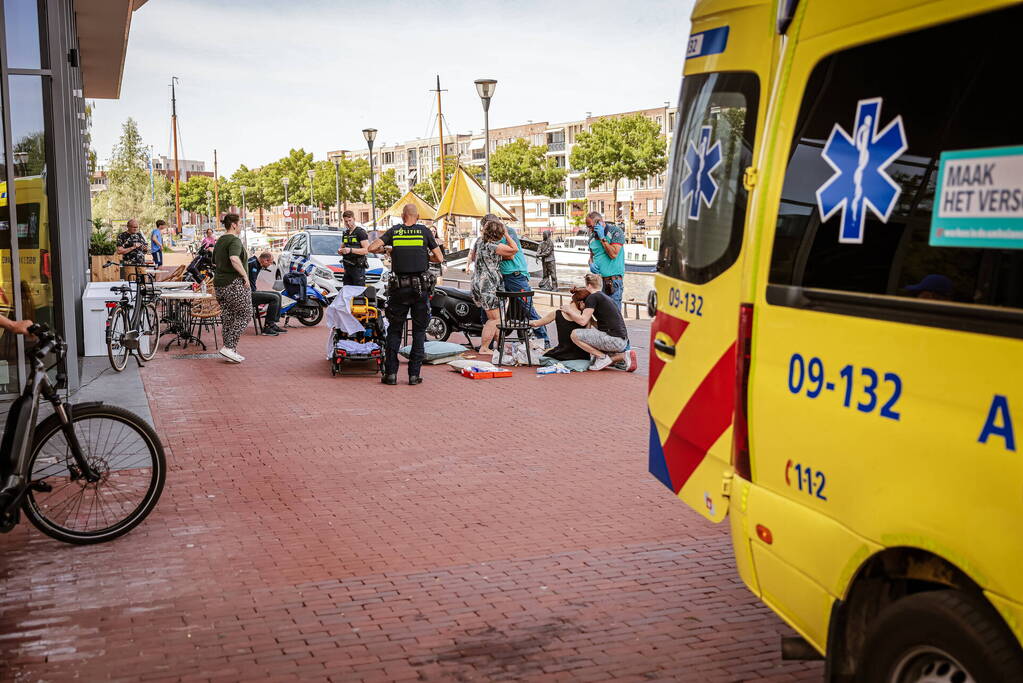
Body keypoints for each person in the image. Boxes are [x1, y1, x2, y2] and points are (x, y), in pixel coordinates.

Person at [368, 204, 443, 386]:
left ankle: (391, 374)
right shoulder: (424, 231)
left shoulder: (395, 231)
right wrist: (425, 257)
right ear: (416, 216)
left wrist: (388, 250)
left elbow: (372, 247)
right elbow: (439, 258)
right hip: (420, 289)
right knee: (418, 332)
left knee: (394, 331)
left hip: (398, 289)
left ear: (403, 216)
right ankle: (413, 376)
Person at [467, 214, 549, 343]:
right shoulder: (486, 238)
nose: (485, 230)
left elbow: (510, 254)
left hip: (514, 275)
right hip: (497, 278)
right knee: (490, 312)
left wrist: (490, 255)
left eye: (486, 227)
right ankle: (491, 344)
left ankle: (544, 340)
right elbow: (479, 254)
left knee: (527, 309)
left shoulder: (505, 231)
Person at [560, 273, 638, 372]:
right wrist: (589, 317)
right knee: (590, 339)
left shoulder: (592, 297)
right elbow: (601, 325)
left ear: (588, 285)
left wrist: (568, 310)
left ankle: (602, 357)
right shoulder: (605, 298)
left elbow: (582, 322)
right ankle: (624, 356)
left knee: (574, 335)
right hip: (622, 341)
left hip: (613, 340)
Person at [470, 219, 519, 359]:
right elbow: (514, 249)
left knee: (496, 318)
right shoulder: (493, 246)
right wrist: (508, 235)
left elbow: (475, 258)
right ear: (498, 233)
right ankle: (484, 348)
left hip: (478, 281)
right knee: (494, 319)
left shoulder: (480, 242)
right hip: (488, 284)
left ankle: (499, 344)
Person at [212, 213, 252, 363]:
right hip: (233, 283)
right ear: (234, 224)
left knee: (229, 316)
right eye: (240, 223)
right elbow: (234, 258)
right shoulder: (234, 240)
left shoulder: (220, 240)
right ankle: (229, 347)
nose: (241, 226)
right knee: (246, 314)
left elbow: (215, 262)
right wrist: (245, 276)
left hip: (220, 284)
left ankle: (230, 350)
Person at [530, 286, 590, 362]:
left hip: (562, 353)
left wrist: (522, 323)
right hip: (582, 355)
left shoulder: (557, 313)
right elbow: (587, 336)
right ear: (581, 303)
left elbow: (536, 323)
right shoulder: (585, 317)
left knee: (543, 353)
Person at [586, 211, 625, 308]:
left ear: (599, 222)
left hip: (612, 282)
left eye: (591, 226)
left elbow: (613, 254)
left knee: (614, 315)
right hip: (598, 282)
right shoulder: (591, 238)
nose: (590, 230)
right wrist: (591, 264)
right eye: (588, 227)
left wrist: (602, 238)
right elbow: (591, 257)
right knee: (601, 315)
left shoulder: (615, 232)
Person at [247, 251, 287, 336]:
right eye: (270, 262)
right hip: (247, 294)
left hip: (253, 291)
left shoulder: (257, 264)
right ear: (265, 260)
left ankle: (272, 324)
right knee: (274, 298)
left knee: (278, 295)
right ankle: (267, 327)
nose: (270, 265)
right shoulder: (251, 263)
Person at [336, 210, 370, 286]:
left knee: (358, 294)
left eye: (350, 220)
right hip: (347, 268)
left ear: (354, 219)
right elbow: (342, 247)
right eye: (346, 221)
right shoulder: (346, 233)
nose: (348, 223)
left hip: (358, 268)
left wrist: (350, 250)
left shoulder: (360, 232)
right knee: (347, 292)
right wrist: (340, 250)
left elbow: (367, 250)